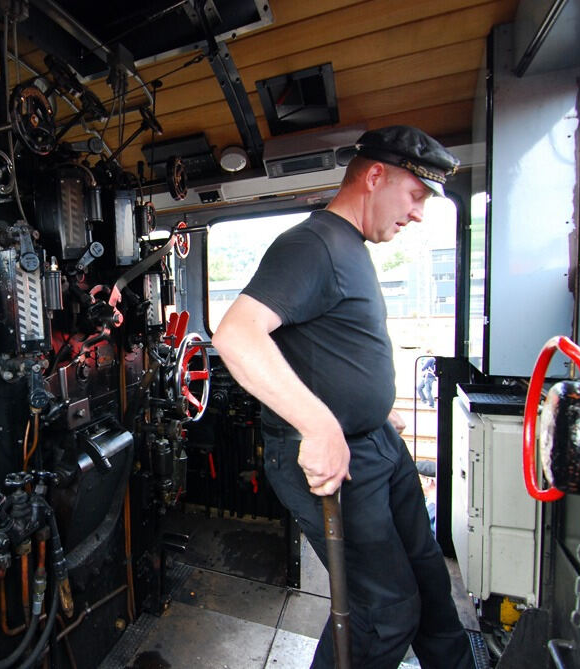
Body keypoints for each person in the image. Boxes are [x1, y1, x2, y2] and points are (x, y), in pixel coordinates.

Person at [213, 125, 473, 668]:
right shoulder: (311, 244)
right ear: (375, 176)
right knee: (385, 610)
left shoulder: (350, 244)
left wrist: (375, 409)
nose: (420, 213)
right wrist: (322, 426)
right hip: (336, 462)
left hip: (378, 443)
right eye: (417, 194)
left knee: (428, 577)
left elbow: (329, 344)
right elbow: (236, 334)